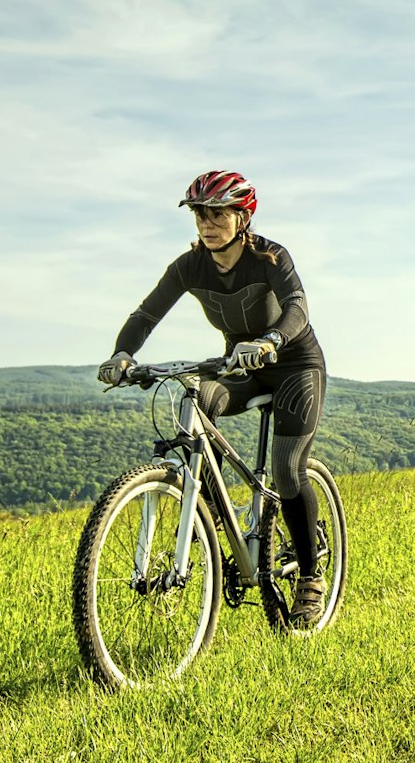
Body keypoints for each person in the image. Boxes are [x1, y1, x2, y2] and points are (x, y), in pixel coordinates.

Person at [96, 169, 329, 628]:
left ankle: (310, 577)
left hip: (293, 364)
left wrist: (271, 341)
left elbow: (298, 307)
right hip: (239, 367)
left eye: (218, 213)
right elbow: (146, 314)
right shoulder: (190, 265)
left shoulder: (270, 258)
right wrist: (123, 353)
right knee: (196, 401)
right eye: (201, 213)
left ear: (242, 217)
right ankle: (211, 517)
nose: (207, 222)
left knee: (286, 467)